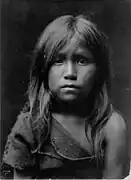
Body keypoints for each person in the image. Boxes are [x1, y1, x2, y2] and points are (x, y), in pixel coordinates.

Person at [1, 14, 130, 179]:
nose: (70, 73)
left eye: (82, 61)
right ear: (44, 70)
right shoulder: (30, 127)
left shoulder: (110, 127)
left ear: (99, 71)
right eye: (58, 61)